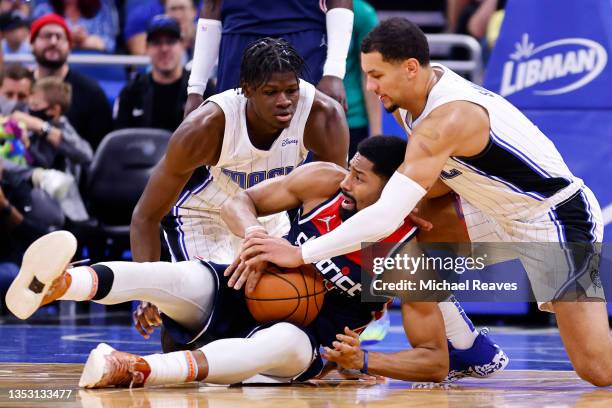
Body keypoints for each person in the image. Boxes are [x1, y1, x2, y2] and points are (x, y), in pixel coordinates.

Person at [239, 18, 610, 386]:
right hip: (493, 208)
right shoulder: (409, 99)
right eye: (367, 74)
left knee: (597, 369)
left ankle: (460, 344)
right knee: (404, 241)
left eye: (377, 75)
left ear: (411, 68)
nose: (369, 86)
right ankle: (465, 347)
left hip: (554, 216)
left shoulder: (447, 118)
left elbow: (387, 214)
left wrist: (301, 254)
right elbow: (434, 181)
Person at [5, 136, 506, 387]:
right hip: (248, 287)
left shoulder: (409, 255)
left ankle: (135, 369)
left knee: (279, 341)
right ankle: (59, 283)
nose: (347, 184)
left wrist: (365, 360)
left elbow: (435, 362)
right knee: (179, 275)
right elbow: (234, 201)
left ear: (392, 189)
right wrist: (251, 236)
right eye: (349, 172)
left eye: (360, 179)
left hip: (311, 338)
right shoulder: (324, 183)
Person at [130, 37, 349, 268]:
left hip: (268, 215)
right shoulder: (205, 127)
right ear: (247, 89)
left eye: (291, 90)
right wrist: (147, 295)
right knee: (213, 297)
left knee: (288, 297)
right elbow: (145, 217)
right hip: (204, 215)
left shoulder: (323, 116)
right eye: (271, 92)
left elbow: (335, 204)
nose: (284, 101)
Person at [184, 0, 354, 115]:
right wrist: (196, 89)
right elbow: (212, 6)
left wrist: (334, 72)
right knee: (232, 150)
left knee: (306, 152)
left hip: (302, 39)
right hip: (237, 42)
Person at [30, 13, 113, 149]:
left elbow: (101, 151)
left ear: (69, 46)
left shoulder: (91, 92)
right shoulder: (18, 87)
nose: (53, 42)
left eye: (59, 37)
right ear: (32, 43)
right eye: (46, 36)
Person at [114, 15, 201, 132]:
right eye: (157, 43)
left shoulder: (200, 88)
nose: (164, 49)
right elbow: (121, 141)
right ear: (147, 48)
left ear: (182, 45)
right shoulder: (131, 93)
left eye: (171, 42)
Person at [343, 0, 381, 158]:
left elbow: (369, 73)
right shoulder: (300, 9)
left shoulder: (362, 13)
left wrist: (376, 134)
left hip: (353, 121)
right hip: (305, 119)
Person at [32, 0, 119, 52]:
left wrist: (84, 40)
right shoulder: (43, 10)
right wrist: (71, 39)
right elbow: (33, 44)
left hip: (94, 64)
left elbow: (110, 44)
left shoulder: (100, 9)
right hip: (55, 64)